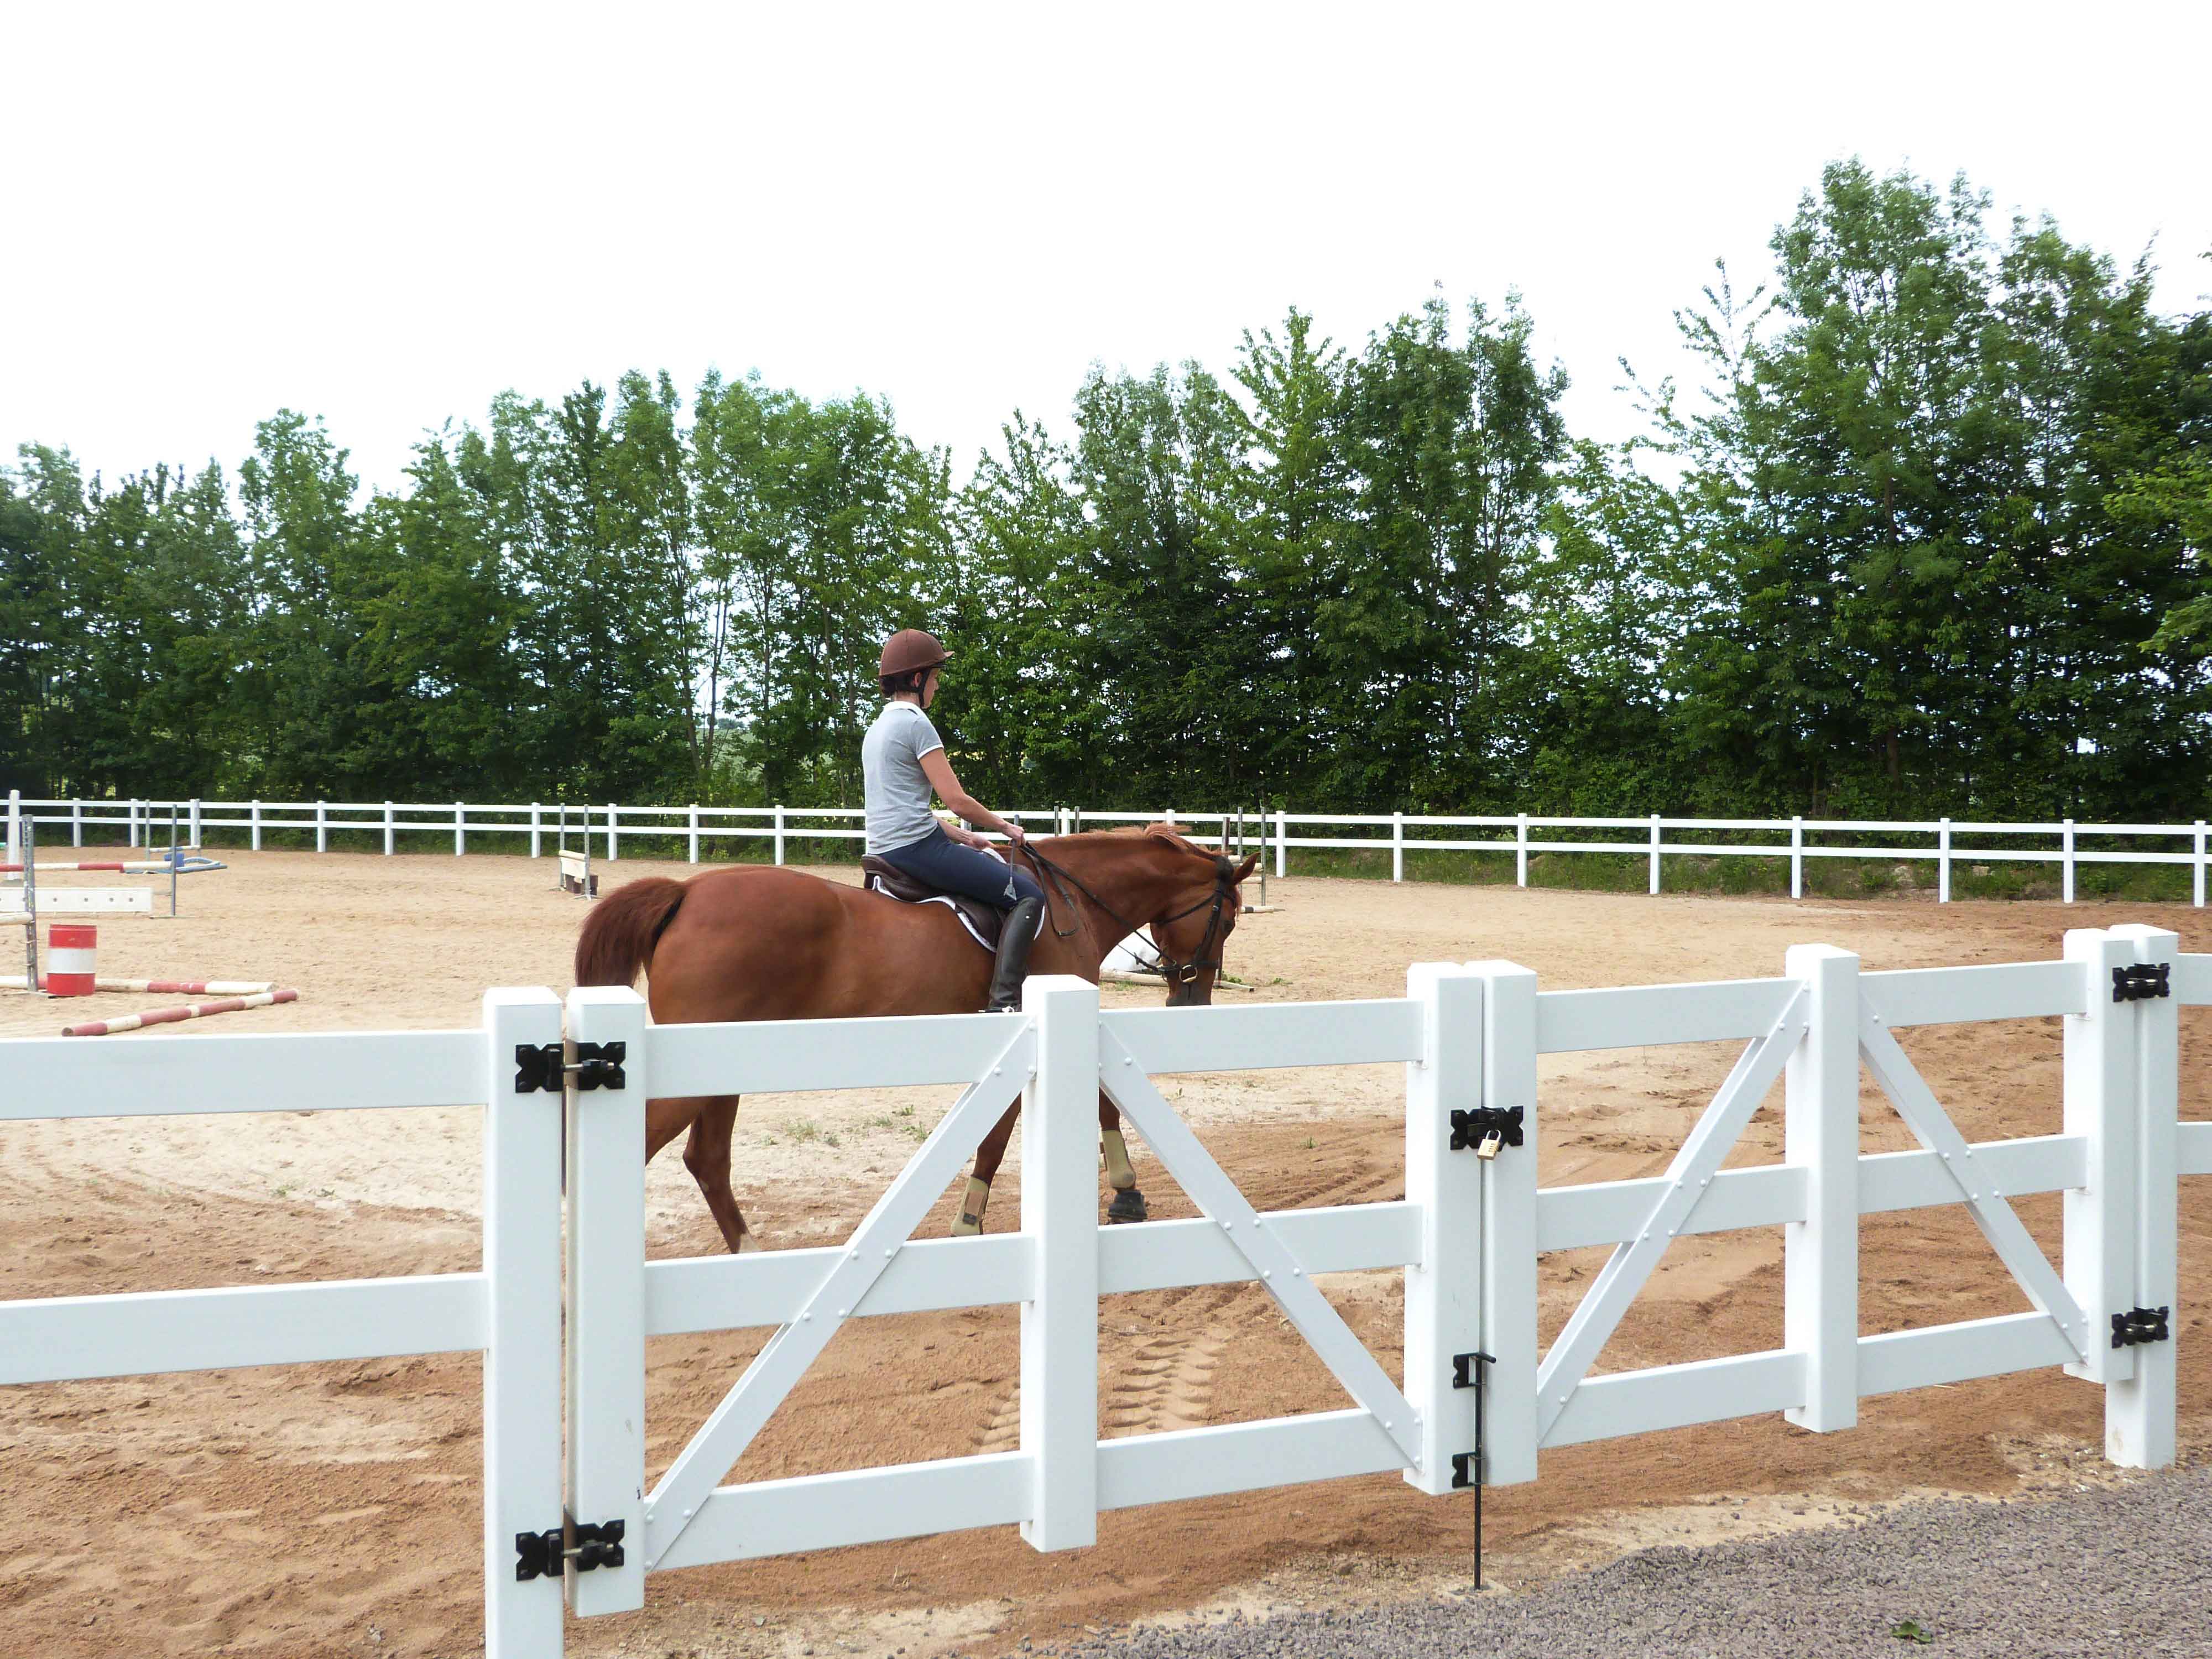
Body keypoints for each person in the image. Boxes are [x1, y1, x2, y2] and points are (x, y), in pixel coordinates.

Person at [863, 629, 1046, 1012]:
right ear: (917, 679)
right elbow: (957, 800)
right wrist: (1005, 828)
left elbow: (911, 809)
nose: (937, 687)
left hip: (886, 848)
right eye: (936, 678)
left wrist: (968, 840)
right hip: (918, 850)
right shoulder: (915, 723)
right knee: (1029, 894)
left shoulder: (877, 728)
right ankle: (1005, 1003)